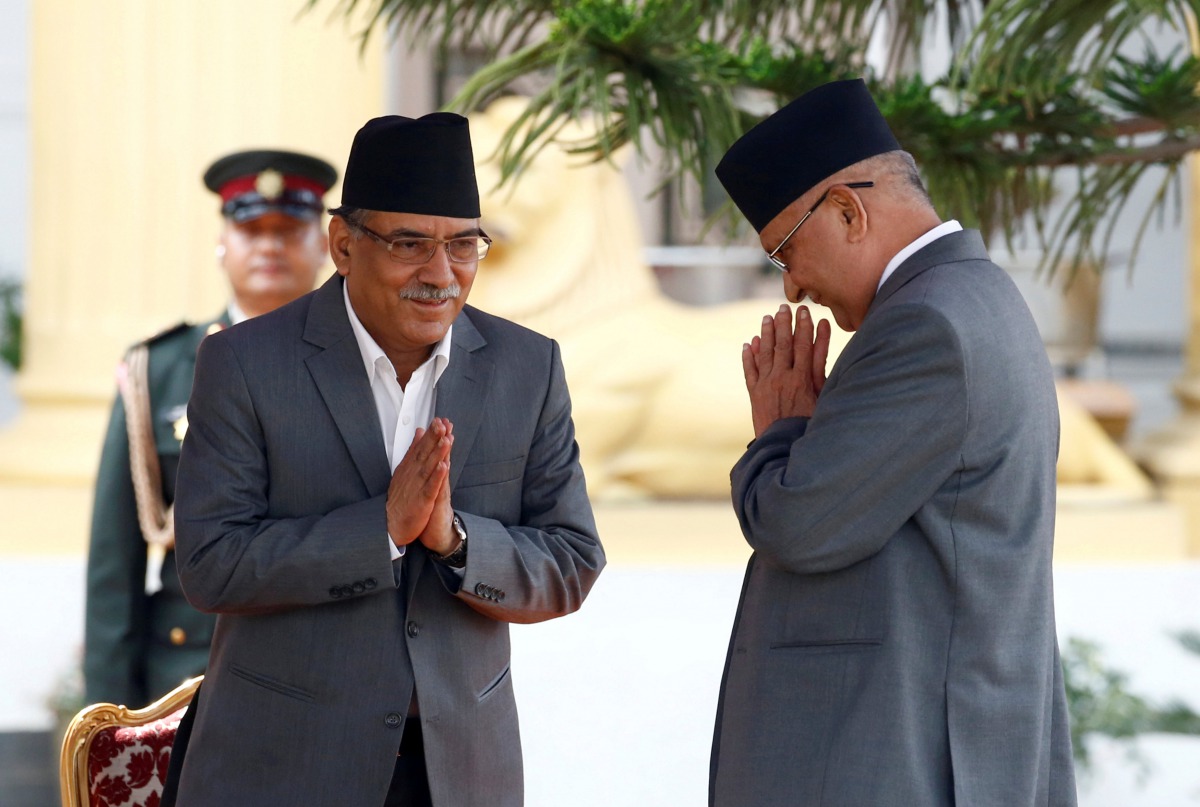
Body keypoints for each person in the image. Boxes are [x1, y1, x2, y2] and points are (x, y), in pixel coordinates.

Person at [168, 112, 605, 807]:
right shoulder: (245, 363)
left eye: (465, 245)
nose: (441, 273)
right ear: (343, 244)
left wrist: (457, 542)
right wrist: (379, 531)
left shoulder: (529, 367)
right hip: (281, 769)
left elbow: (572, 559)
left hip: (459, 773)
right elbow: (210, 563)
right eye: (410, 243)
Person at [708, 79, 1077, 806]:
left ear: (847, 210)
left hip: (901, 761)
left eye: (786, 251)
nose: (792, 289)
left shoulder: (925, 326)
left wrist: (780, 437)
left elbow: (800, 523)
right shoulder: (970, 297)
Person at [83, 149, 336, 707]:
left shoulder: (369, 366)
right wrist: (104, 719)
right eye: (251, 228)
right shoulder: (159, 370)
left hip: (331, 673)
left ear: (325, 244)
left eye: (290, 229)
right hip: (189, 677)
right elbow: (114, 562)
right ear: (223, 241)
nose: (269, 245)